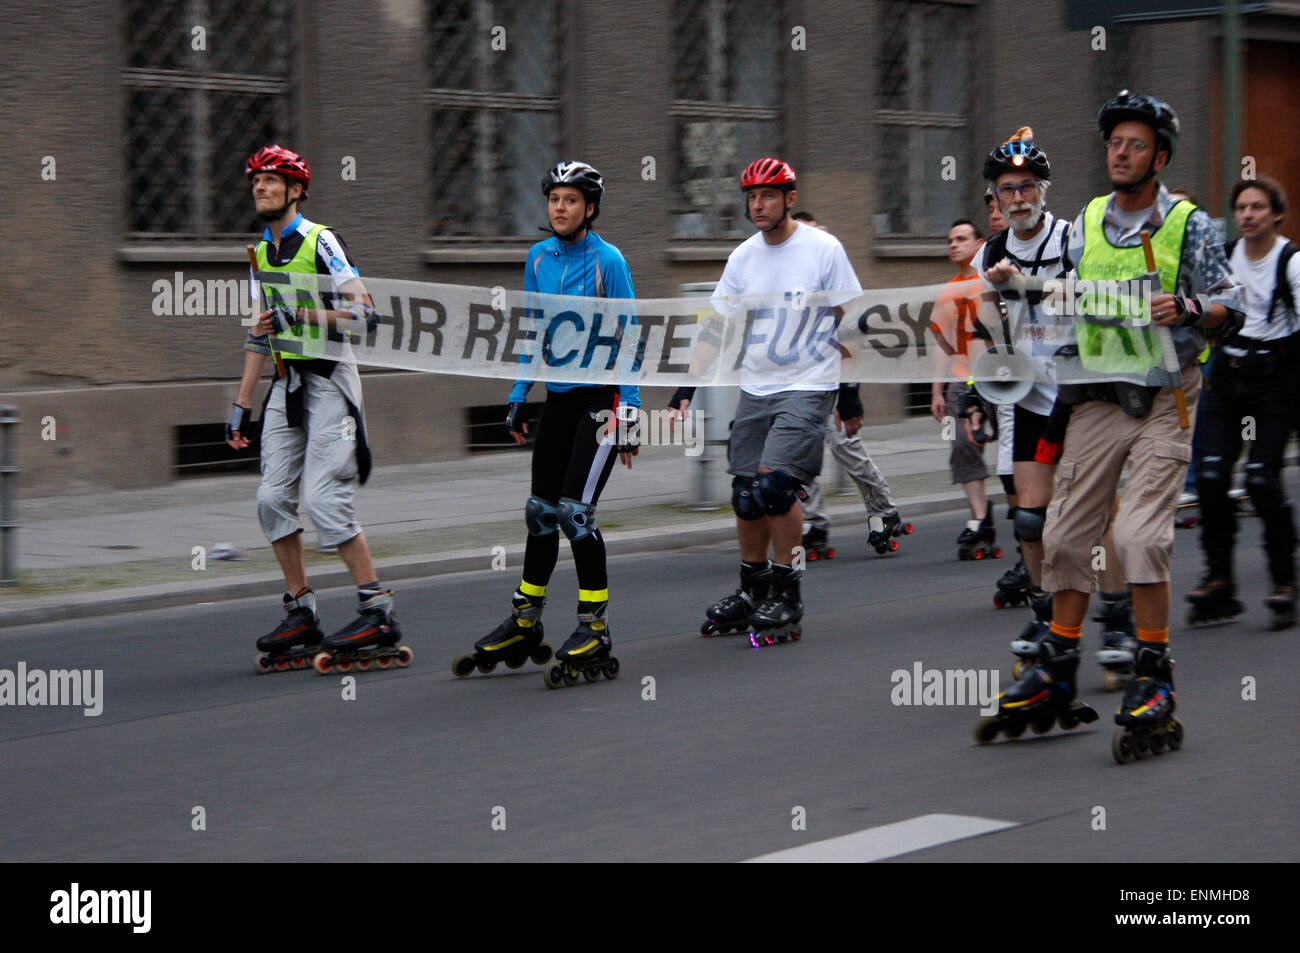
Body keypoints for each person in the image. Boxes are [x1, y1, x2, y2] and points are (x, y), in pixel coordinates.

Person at [977, 92, 1245, 762]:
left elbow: (1230, 306)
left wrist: (1186, 305)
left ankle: (1154, 676)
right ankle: (1059, 665)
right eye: (1114, 143)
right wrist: (1016, 284)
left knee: (1137, 533)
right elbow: (1066, 291)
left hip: (1165, 396)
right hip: (1095, 392)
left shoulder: (1190, 223)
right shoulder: (1089, 220)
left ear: (1159, 156)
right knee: (1064, 531)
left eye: (1134, 144)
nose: (1120, 153)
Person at [453, 161, 640, 688]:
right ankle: (525, 620)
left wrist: (629, 409)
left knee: (575, 514)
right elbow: (533, 330)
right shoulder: (538, 258)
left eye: (571, 200)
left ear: (591, 208)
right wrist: (519, 395)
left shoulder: (609, 262)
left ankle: (594, 626)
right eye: (555, 199)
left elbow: (630, 336)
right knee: (540, 511)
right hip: (558, 400)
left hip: (601, 402)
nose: (560, 208)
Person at [227, 145, 404, 673]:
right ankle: (301, 610)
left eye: (270, 180)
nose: (260, 187)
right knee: (269, 499)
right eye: (255, 180)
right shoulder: (259, 251)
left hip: (330, 382)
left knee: (325, 500)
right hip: (286, 385)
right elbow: (262, 332)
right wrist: (241, 404)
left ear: (296, 190)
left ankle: (378, 609)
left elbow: (365, 314)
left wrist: (301, 313)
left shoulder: (320, 241)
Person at [672, 158, 863, 644]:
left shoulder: (823, 249)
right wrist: (685, 389)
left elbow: (850, 321)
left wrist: (851, 392)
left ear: (789, 199)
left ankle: (788, 591)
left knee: (775, 487)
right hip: (756, 386)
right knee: (745, 495)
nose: (757, 205)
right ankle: (752, 589)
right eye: (751, 197)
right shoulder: (742, 259)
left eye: (768, 196)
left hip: (809, 384)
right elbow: (717, 326)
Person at [974, 128, 1135, 688]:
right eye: (1005, 191)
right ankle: (1048, 616)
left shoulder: (1075, 238)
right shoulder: (988, 252)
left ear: (1043, 190)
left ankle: (1118, 622)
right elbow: (989, 328)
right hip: (1034, 397)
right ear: (994, 201)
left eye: (1025, 188)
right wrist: (983, 382)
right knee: (1030, 516)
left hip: (1087, 394)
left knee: (1099, 515)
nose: (1016, 199)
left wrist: (1026, 285)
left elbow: (1096, 299)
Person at [1186, 174, 1299, 629]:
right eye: (1241, 208)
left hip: (1276, 380)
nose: (1248, 215)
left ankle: (1283, 580)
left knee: (1261, 479)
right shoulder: (1226, 256)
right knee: (1211, 476)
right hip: (1227, 378)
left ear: (1275, 214)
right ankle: (1219, 583)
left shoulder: (1291, 261)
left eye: (1257, 207)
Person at [788, 211, 911, 560]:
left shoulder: (831, 276)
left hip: (834, 379)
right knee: (798, 455)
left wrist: (850, 393)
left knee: (847, 449)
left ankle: (884, 511)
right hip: (798, 384)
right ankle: (815, 522)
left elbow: (855, 331)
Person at [929, 219, 997, 559]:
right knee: (962, 446)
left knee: (1018, 452)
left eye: (961, 239)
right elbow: (942, 343)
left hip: (1000, 377)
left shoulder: (991, 282)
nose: (954, 244)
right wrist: (937, 391)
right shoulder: (949, 290)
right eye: (950, 239)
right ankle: (980, 518)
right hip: (962, 378)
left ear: (979, 243)